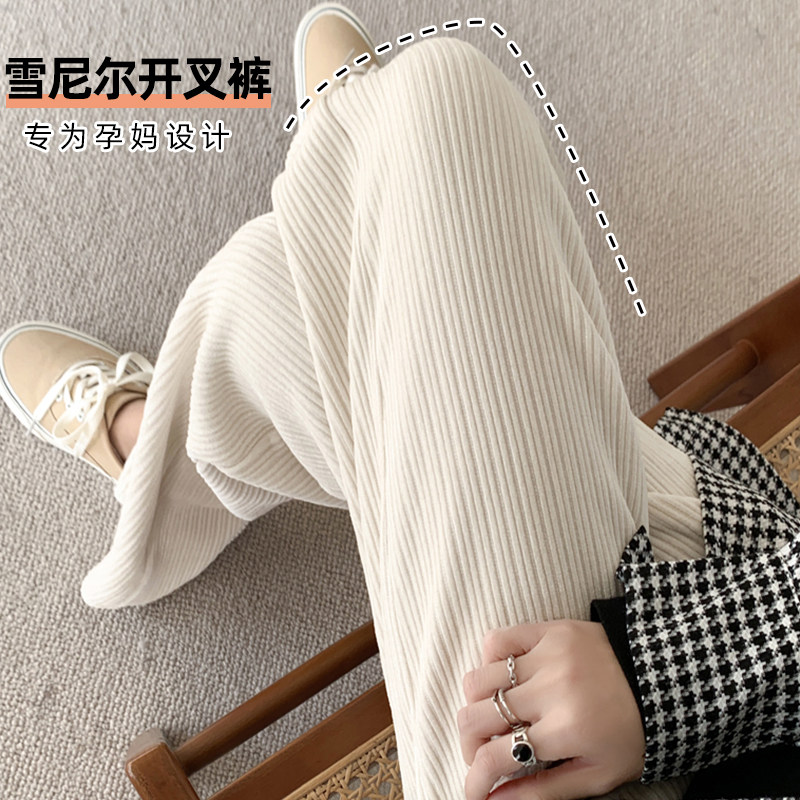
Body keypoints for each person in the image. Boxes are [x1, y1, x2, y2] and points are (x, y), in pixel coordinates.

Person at [1, 5, 798, 799]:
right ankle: (345, 200)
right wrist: (686, 670)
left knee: (441, 108)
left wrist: (659, 686)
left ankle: (343, 186)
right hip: (753, 595)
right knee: (294, 280)